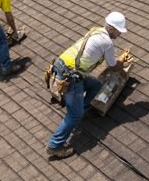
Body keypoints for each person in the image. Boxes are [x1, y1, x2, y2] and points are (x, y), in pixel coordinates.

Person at [46, 12, 127, 159]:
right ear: (113, 29)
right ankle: (54, 146)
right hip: (72, 77)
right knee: (73, 115)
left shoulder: (95, 30)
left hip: (62, 65)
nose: (120, 34)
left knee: (95, 85)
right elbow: (113, 65)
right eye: (119, 31)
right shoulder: (107, 43)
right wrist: (122, 62)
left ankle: (81, 109)